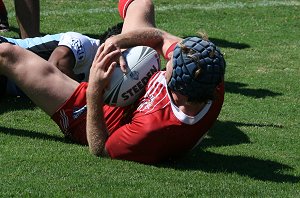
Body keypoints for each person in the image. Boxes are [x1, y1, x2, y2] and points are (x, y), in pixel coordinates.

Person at [0, 0, 225, 164]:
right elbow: (163, 38)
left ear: (179, 92)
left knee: (7, 54)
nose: (169, 58)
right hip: (131, 76)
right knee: (142, 5)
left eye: (171, 65)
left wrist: (95, 89)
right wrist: (118, 40)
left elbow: (100, 148)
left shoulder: (151, 130)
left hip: (91, 110)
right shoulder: (208, 76)